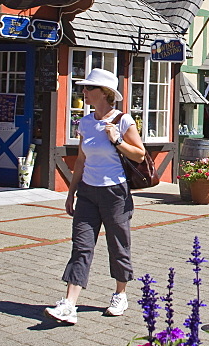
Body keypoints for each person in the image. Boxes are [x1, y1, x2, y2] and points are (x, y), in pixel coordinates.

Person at [45, 68, 146, 326]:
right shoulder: (86, 122)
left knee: (118, 244)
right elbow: (80, 159)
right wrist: (71, 192)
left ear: (105, 93)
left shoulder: (123, 121)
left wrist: (117, 141)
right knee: (81, 246)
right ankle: (69, 304)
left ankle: (120, 294)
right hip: (88, 192)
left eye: (89, 88)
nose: (84, 92)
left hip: (115, 193)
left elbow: (140, 155)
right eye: (85, 88)